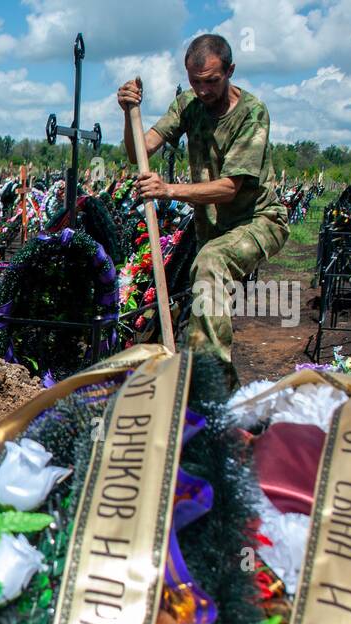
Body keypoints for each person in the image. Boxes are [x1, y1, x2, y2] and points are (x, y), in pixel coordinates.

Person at [118, 33, 289, 374]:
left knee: (210, 263)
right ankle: (208, 383)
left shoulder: (251, 114)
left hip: (258, 220)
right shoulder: (188, 105)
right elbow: (139, 150)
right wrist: (128, 113)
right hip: (211, 227)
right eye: (195, 82)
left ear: (230, 71)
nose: (204, 90)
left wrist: (167, 190)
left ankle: (207, 385)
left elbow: (230, 188)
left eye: (211, 81)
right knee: (203, 307)